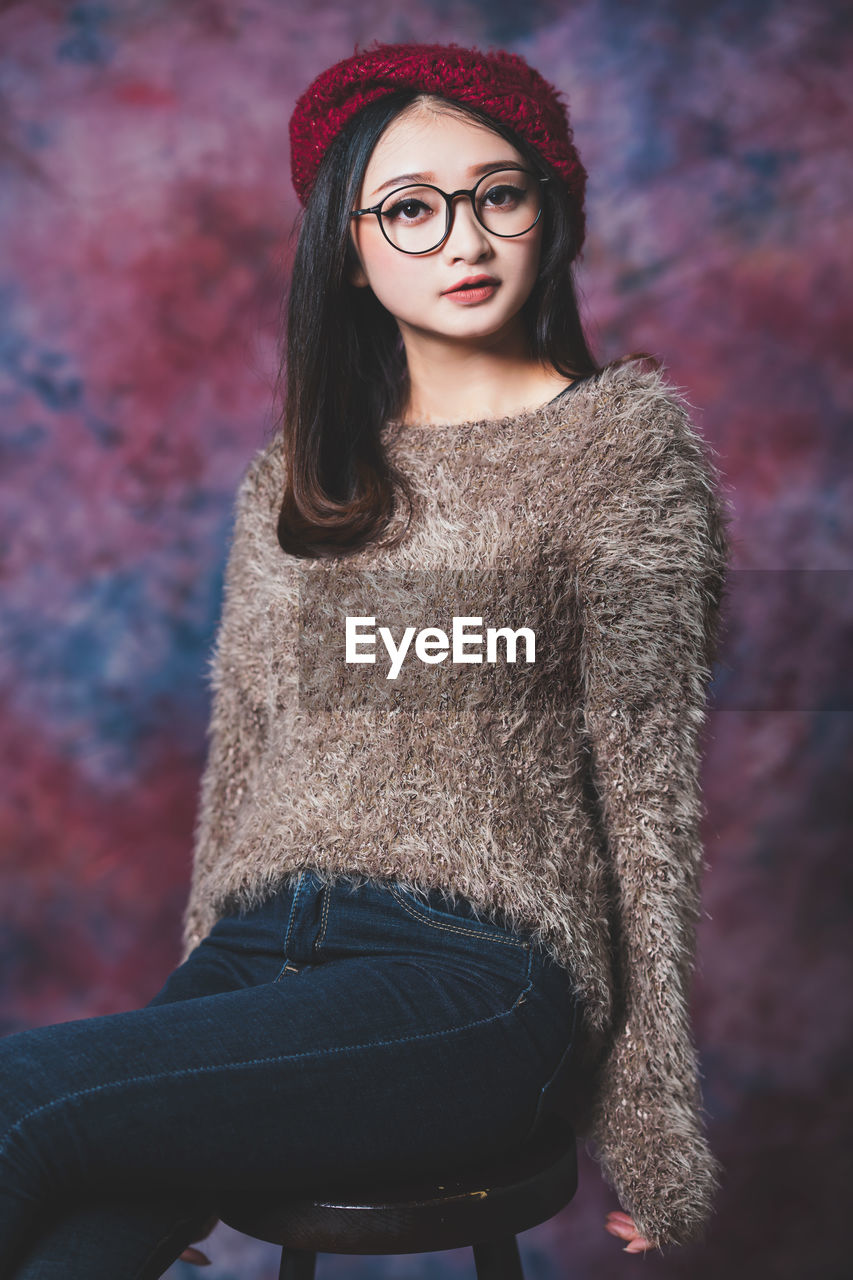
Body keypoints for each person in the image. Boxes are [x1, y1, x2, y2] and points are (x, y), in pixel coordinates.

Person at [0, 40, 731, 1277]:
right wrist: (198, 1048)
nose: (463, 238)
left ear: (549, 211)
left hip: (473, 982)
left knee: (20, 1093)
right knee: (75, 1230)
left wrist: (654, 1130)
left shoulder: (624, 452)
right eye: (410, 206)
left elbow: (648, 797)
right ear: (348, 242)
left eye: (499, 193)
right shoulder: (292, 480)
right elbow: (246, 764)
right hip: (263, 952)